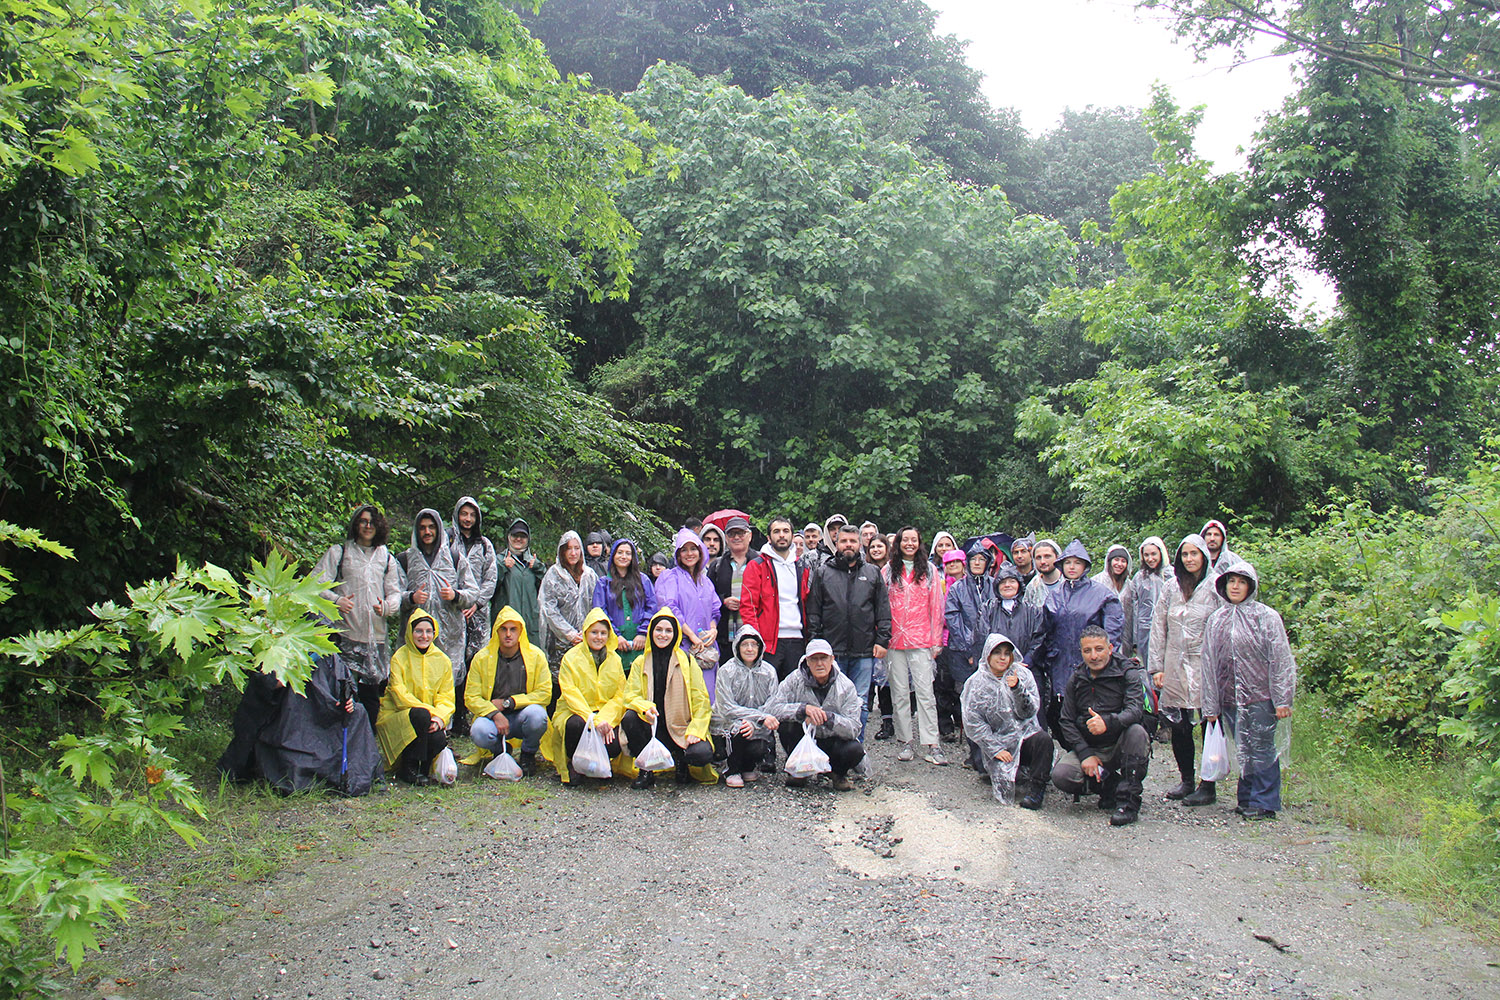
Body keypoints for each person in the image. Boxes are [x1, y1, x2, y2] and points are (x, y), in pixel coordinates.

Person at [1202, 560, 1297, 820]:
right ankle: (1246, 798)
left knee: (1262, 748)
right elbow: (1208, 662)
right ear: (1223, 585)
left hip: (1260, 697)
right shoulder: (1217, 620)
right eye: (1231, 581)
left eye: (1242, 582)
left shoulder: (1266, 617)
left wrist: (1282, 698)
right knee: (1241, 748)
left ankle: (1265, 802)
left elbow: (1280, 659)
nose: (1236, 586)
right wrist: (1210, 704)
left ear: (1251, 586)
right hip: (1230, 697)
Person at [217, 648, 382, 796]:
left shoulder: (329, 657)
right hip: (290, 720)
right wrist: (292, 670)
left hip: (325, 718)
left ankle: (356, 772)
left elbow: (345, 686)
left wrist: (348, 700)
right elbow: (266, 685)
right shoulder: (279, 651)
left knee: (359, 712)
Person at [312, 504, 403, 731]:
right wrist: (336, 600)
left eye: (372, 522)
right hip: (344, 635)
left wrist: (387, 607)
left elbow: (395, 593)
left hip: (376, 638)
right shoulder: (339, 553)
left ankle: (367, 743)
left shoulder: (387, 558)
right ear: (356, 524)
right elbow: (315, 584)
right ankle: (339, 741)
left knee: (370, 695)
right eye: (363, 521)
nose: (368, 526)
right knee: (342, 692)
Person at [1051, 626, 1150, 826]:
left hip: (1120, 744)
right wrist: (1085, 753)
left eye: (1099, 649)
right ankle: (1109, 785)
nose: (1094, 656)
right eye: (1087, 651)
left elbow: (1135, 710)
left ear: (1110, 648)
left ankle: (1128, 802)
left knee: (1137, 732)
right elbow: (1066, 721)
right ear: (1081, 652)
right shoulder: (1077, 678)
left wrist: (1108, 722)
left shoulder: (1127, 672)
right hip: (1092, 748)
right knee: (1061, 775)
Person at [1150, 533, 1222, 805]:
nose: (1190, 559)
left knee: (1209, 724)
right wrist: (1156, 666)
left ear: (1204, 556)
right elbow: (1158, 627)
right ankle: (1186, 779)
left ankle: (1209, 783)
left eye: (1195, 553)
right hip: (1175, 664)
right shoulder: (1171, 588)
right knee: (1179, 725)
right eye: (1185, 554)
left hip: (1206, 665)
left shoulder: (1215, 586)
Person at [806, 523, 891, 739]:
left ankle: (856, 749)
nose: (848, 545)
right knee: (832, 702)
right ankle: (832, 751)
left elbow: (882, 609)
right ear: (836, 542)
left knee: (860, 702)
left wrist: (882, 640)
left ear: (860, 543)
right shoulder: (823, 572)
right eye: (844, 541)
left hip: (863, 650)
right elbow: (814, 612)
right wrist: (815, 644)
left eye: (853, 541)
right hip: (832, 651)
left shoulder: (872, 573)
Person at [621, 607, 716, 787]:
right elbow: (630, 696)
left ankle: (681, 762)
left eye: (668, 630)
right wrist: (644, 708)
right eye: (658, 629)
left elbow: (701, 700)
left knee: (701, 753)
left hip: (680, 727)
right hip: (652, 725)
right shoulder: (641, 662)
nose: (663, 635)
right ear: (651, 632)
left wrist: (696, 729)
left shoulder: (687, 661)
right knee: (630, 718)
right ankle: (646, 769)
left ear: (675, 634)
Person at [540, 608, 634, 787]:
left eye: (603, 633)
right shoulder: (571, 658)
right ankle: (575, 764)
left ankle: (598, 764)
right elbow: (570, 692)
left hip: (606, 715)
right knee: (577, 726)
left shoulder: (614, 659)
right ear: (585, 633)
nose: (598, 637)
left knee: (613, 743)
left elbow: (620, 694)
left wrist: (604, 719)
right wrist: (593, 719)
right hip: (574, 713)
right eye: (594, 632)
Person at [1039, 540, 1124, 737]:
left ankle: (1096, 758)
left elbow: (1113, 633)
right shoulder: (1054, 596)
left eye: (1077, 563)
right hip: (1059, 664)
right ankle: (1076, 756)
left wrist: (1106, 661)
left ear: (1085, 566)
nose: (1072, 567)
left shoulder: (1102, 595)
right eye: (1068, 562)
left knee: (1091, 713)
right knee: (1061, 718)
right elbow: (1045, 632)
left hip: (1092, 665)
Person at [962, 634, 1053, 808]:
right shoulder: (976, 683)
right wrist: (995, 748)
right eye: (997, 653)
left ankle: (1037, 789)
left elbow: (1029, 712)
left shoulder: (1023, 675)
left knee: (1044, 740)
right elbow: (973, 722)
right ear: (988, 654)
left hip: (1023, 737)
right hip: (995, 740)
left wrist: (1017, 689)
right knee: (998, 774)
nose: (1002, 658)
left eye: (1006, 653)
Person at [883, 526, 948, 766]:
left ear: (919, 542)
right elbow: (882, 605)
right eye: (904, 540)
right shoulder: (888, 571)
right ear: (898, 543)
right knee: (899, 692)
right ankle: (905, 741)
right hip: (895, 640)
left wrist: (936, 640)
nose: (909, 544)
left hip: (921, 639)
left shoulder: (930, 571)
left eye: (914, 540)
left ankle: (932, 743)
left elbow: (937, 606)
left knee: (925, 692)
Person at [766, 639, 865, 790]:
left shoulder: (846, 686)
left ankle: (837, 773)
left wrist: (829, 718)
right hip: (803, 736)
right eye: (814, 659)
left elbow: (854, 727)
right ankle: (800, 771)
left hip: (832, 740)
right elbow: (772, 708)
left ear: (832, 659)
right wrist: (802, 710)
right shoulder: (794, 679)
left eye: (824, 658)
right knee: (786, 726)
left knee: (855, 749)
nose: (819, 664)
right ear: (807, 661)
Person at [464, 605, 551, 775]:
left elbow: (545, 693)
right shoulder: (481, 658)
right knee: (478, 731)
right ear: (496, 631)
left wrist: (509, 703)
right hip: (492, 717)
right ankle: (500, 750)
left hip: (522, 715)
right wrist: (495, 714)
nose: (508, 634)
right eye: (503, 629)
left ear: (521, 632)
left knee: (538, 716)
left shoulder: (536, 656)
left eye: (513, 629)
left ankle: (527, 754)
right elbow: (471, 697)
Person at [398, 508, 477, 694]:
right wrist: (411, 597)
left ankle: (449, 723)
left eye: (431, 527)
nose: (427, 532)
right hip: (416, 636)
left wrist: (455, 595)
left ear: (439, 529)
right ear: (416, 531)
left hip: (449, 636)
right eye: (423, 528)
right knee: (416, 684)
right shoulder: (405, 559)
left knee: (447, 685)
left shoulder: (455, 558)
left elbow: (473, 592)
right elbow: (393, 596)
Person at [376, 610, 455, 785]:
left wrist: (439, 718)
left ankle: (424, 769)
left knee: (439, 738)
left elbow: (447, 697)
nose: (424, 636)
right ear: (410, 633)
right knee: (420, 715)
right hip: (400, 715)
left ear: (434, 633)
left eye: (428, 631)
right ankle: (408, 767)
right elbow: (399, 695)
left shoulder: (443, 660)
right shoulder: (399, 657)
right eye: (419, 631)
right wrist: (431, 713)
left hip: (429, 718)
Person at [450, 497, 499, 732]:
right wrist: (458, 600)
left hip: (478, 613)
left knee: (475, 663)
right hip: (452, 610)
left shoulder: (484, 545)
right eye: (464, 514)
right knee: (453, 662)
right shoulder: (447, 541)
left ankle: (474, 713)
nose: (467, 519)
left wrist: (477, 603)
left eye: (472, 515)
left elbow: (491, 577)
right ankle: (454, 713)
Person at [654, 527, 722, 698]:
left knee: (707, 697)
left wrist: (713, 629)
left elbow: (715, 609)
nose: (689, 554)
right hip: (682, 646)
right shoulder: (670, 577)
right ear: (678, 554)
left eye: (693, 549)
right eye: (684, 550)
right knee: (684, 698)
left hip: (706, 647)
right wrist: (692, 636)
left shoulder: (705, 581)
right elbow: (670, 608)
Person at [711, 624, 781, 787]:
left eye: (753, 644)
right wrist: (757, 718)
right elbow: (726, 707)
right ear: (737, 647)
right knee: (739, 729)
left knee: (759, 746)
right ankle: (732, 769)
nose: (749, 649)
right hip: (728, 724)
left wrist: (755, 722)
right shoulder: (727, 670)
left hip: (756, 725)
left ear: (760, 647)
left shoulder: (769, 672)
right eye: (744, 644)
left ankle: (748, 766)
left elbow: (772, 704)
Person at [740, 516, 809, 681]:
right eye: (776, 531)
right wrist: (755, 638)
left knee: (795, 691)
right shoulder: (756, 566)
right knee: (767, 692)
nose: (782, 535)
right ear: (769, 538)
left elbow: (807, 603)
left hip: (798, 639)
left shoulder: (802, 567)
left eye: (786, 531)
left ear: (792, 536)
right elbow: (748, 605)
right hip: (770, 642)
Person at [592, 538, 657, 674]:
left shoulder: (643, 580)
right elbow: (599, 612)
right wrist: (615, 636)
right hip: (613, 645)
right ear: (613, 555)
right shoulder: (603, 584)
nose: (624, 556)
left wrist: (643, 633)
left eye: (628, 553)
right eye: (620, 552)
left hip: (639, 643)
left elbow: (651, 607)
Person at [539, 530, 599, 675]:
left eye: (576, 548)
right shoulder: (553, 575)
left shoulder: (589, 575)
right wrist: (569, 633)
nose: (573, 553)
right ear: (562, 551)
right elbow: (548, 608)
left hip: (586, 640)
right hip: (558, 642)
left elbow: (596, 606)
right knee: (560, 680)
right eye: (568, 548)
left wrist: (588, 632)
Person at [933, 548, 967, 743]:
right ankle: (945, 726)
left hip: (964, 643)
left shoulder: (971, 586)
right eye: (949, 563)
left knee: (961, 687)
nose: (953, 566)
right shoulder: (942, 585)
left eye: (956, 562)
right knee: (943, 686)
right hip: (945, 641)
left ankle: (962, 720)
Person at [709, 516, 755, 661]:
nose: (736, 537)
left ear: (749, 536)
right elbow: (707, 596)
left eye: (740, 533)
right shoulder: (717, 565)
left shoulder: (760, 562)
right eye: (731, 534)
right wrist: (723, 601)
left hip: (754, 635)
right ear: (726, 538)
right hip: (724, 634)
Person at [495, 518, 545, 647]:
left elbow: (547, 591)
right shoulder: (498, 560)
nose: (518, 539)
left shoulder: (534, 562)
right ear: (508, 537)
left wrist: (539, 568)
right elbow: (489, 589)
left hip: (530, 624)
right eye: (515, 535)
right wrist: (502, 567)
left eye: (522, 536)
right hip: (507, 627)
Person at [1123, 536, 1169, 668]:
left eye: (1154, 554)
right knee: (1148, 669)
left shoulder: (1171, 575)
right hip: (1145, 633)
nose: (1150, 559)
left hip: (1167, 630)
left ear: (1161, 553)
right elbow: (1135, 610)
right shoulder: (1140, 577)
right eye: (1146, 555)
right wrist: (1135, 640)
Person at [1023, 539, 1063, 608]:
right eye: (1038, 558)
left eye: (1047, 556)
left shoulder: (1069, 583)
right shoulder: (1033, 587)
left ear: (1057, 557)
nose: (1042, 561)